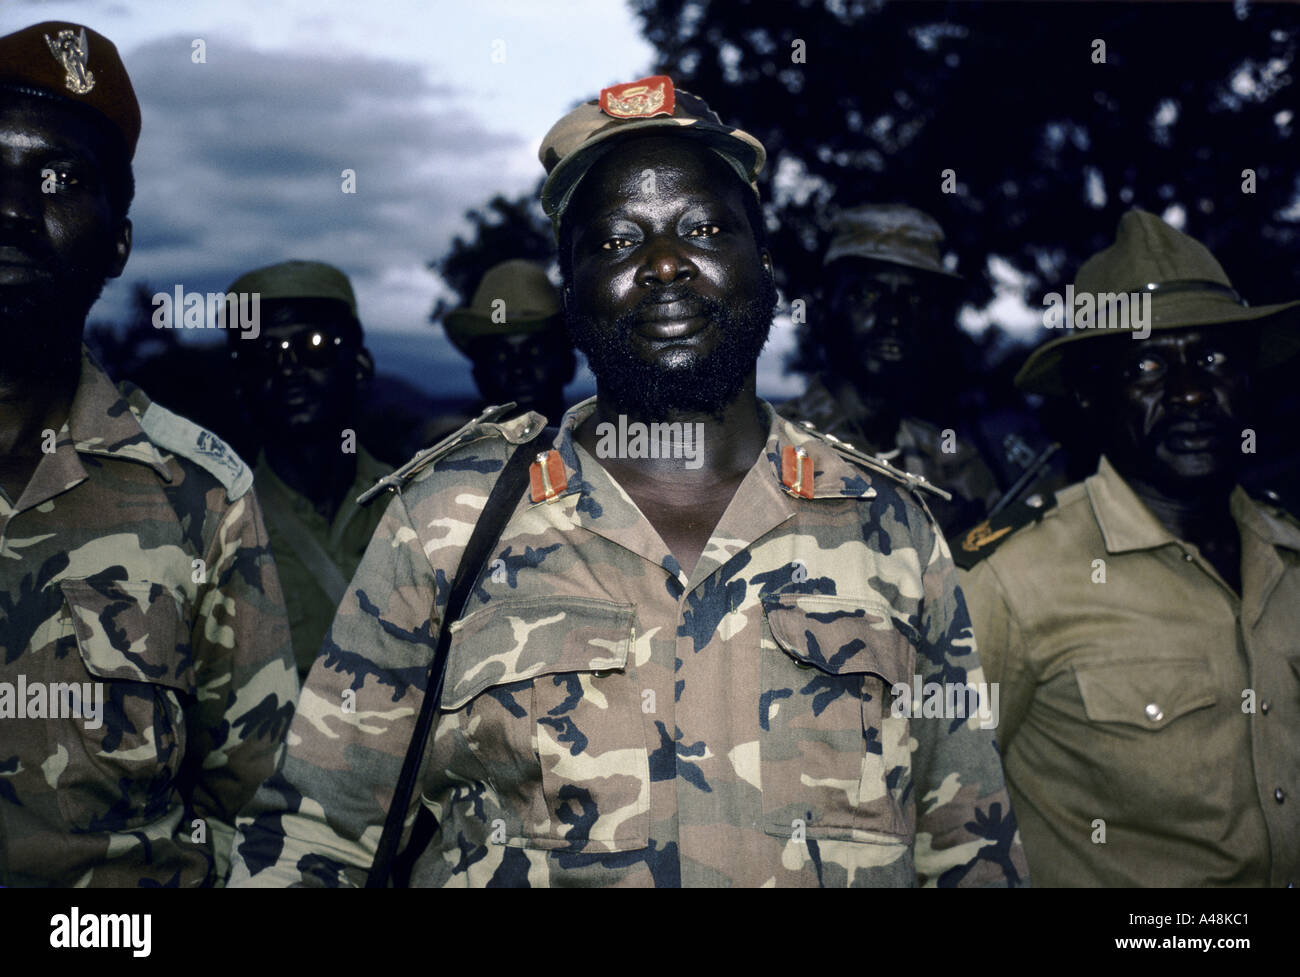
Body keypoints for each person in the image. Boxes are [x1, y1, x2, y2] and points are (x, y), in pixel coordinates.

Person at [231, 74, 1026, 888]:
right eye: (616, 241)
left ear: (767, 266)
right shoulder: (445, 524)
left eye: (704, 227)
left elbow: (969, 848)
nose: (665, 263)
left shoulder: (889, 527)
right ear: (570, 292)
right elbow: (315, 837)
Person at [0, 21, 297, 886]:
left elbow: (262, 810)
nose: (15, 207)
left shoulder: (200, 493)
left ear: (117, 244)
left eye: (60, 180)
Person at [955, 209, 1300, 886]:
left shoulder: (1289, 555)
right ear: (1089, 393)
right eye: (1147, 364)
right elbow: (917, 813)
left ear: (1247, 379)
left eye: (1212, 358)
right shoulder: (1010, 577)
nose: (1192, 391)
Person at [780, 203, 1055, 536]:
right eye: (868, 293)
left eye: (914, 298)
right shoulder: (770, 448)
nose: (893, 317)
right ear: (827, 309)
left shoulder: (954, 465)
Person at [226, 260, 388, 680]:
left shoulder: (427, 504)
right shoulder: (214, 533)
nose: (287, 368)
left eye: (314, 345)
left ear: (361, 365)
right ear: (239, 383)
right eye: (262, 354)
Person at [444, 258, 576, 423]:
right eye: (501, 356)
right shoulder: (451, 445)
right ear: (479, 376)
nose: (519, 370)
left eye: (535, 352)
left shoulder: (605, 441)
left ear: (568, 364)